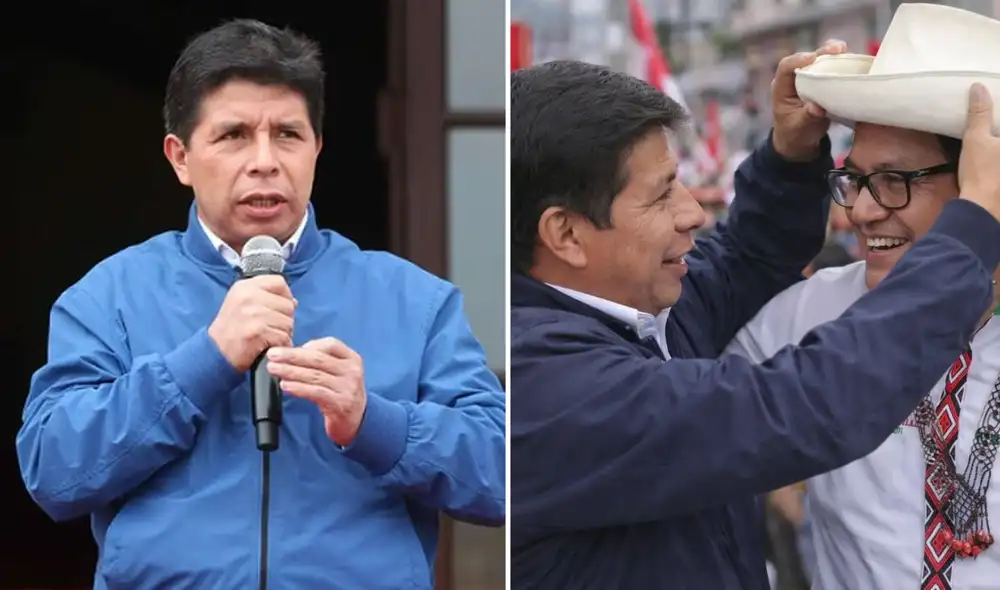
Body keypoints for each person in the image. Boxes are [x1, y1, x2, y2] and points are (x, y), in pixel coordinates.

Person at [16, 19, 505, 590]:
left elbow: (501, 479)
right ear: (180, 156)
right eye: (234, 136)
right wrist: (203, 362)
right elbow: (54, 472)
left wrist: (373, 422)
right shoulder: (109, 296)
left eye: (288, 135)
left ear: (317, 149)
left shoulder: (415, 300)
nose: (265, 161)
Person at [509, 48, 1000, 590]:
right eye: (660, 194)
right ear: (567, 235)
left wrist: (790, 156)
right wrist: (970, 236)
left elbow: (744, 257)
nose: (694, 212)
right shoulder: (542, 389)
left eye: (894, 180)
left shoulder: (650, 315)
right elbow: (803, 404)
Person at [726, 8, 1000, 589]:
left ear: (985, 181)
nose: (863, 211)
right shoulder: (804, 316)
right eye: (856, 180)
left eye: (897, 181)